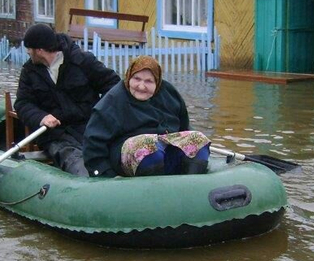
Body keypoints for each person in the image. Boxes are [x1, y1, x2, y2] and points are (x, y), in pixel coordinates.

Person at [14, 23, 120, 176]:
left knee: (108, 152)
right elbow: (23, 103)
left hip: (91, 127)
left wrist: (102, 113)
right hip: (56, 134)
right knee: (74, 159)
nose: (28, 52)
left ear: (39, 50)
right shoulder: (29, 72)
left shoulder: (83, 61)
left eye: (29, 49)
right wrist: (42, 117)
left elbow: (113, 85)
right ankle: (88, 187)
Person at [83, 55, 211, 178]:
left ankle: (191, 184)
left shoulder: (169, 94)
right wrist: (104, 173)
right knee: (149, 147)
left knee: (198, 139)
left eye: (149, 81)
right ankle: (153, 191)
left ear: (157, 82)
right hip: (131, 153)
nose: (141, 86)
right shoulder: (113, 100)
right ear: (129, 77)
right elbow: (93, 141)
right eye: (137, 79)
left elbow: (184, 125)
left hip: (165, 146)